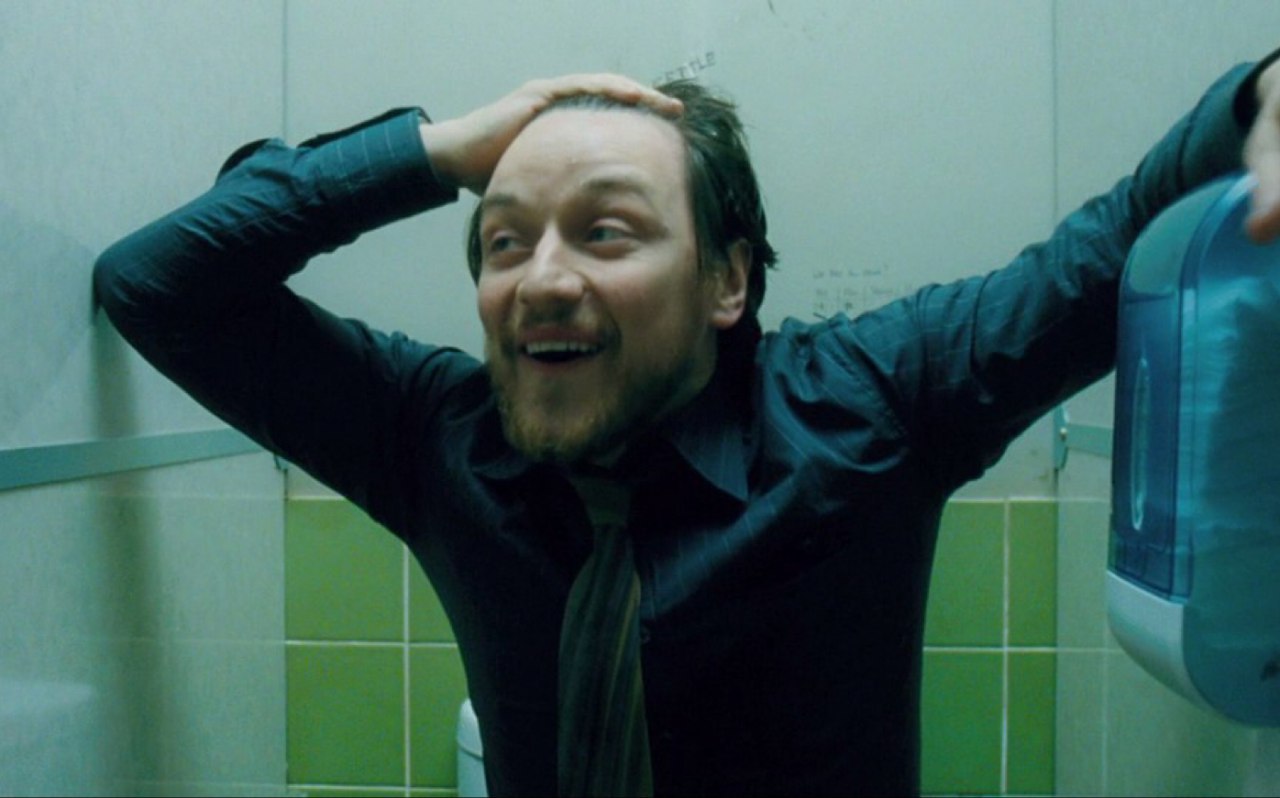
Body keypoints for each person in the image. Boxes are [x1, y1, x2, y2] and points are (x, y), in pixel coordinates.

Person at [95, 50, 1280, 795]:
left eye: (603, 230)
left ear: (725, 280)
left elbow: (1114, 239)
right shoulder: (434, 438)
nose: (540, 279)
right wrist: (434, 151)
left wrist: (1261, 89)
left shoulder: (868, 405)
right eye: (503, 239)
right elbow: (157, 286)